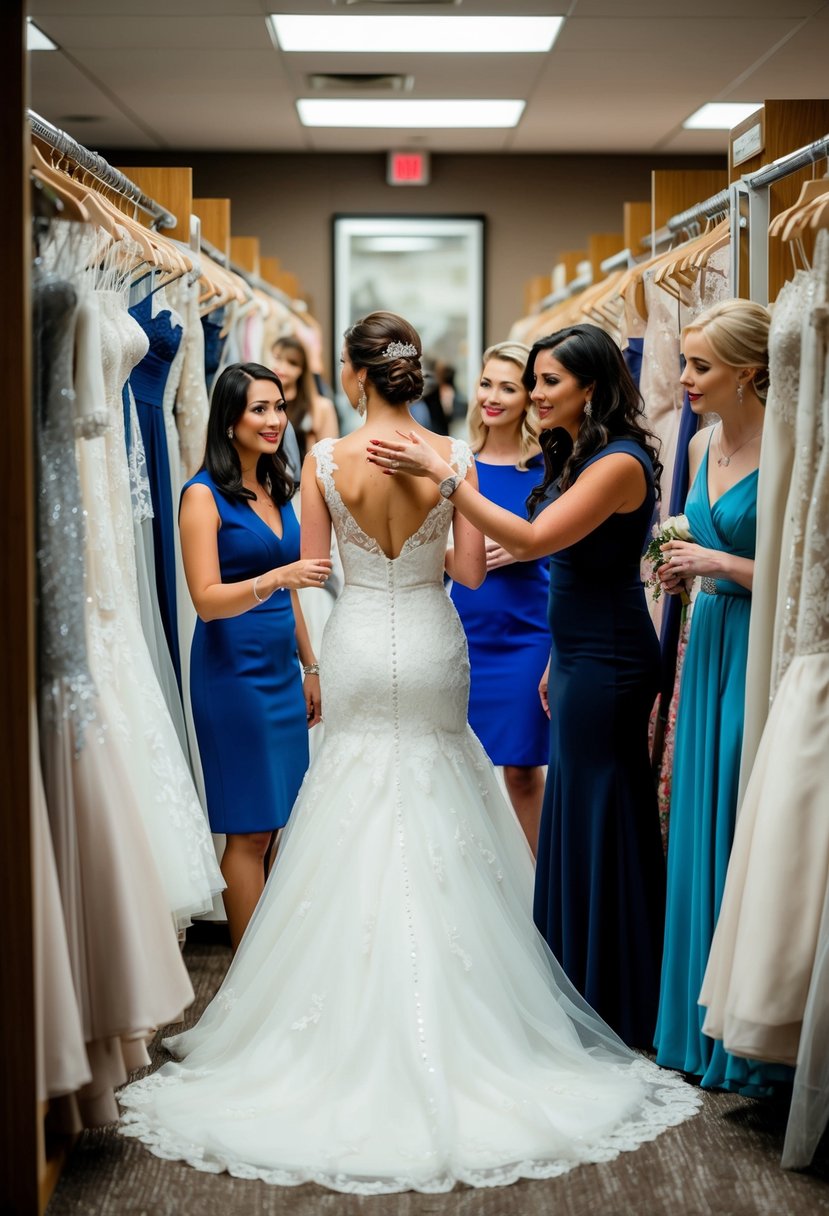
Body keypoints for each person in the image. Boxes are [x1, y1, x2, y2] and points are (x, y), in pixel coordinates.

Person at [119, 313, 698, 1192]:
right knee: (442, 794)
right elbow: (469, 573)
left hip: (356, 646)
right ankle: (484, 1026)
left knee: (352, 797)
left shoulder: (321, 464)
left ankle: (329, 1025)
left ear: (354, 380)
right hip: (432, 644)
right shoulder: (451, 458)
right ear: (410, 377)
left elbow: (314, 571)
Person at [369, 323, 667, 1047]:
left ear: (589, 388)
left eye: (547, 383)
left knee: (603, 815)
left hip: (609, 655)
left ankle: (620, 995)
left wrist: (445, 481)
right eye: (529, 381)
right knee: (575, 812)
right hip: (573, 653)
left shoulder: (621, 461)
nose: (534, 395)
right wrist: (549, 657)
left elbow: (533, 545)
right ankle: (579, 981)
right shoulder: (582, 453)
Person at [652, 300, 791, 1094]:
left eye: (699, 366)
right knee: (697, 818)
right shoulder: (701, 441)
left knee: (741, 819)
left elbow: (806, 576)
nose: (683, 379)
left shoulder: (792, 445)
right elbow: (702, 544)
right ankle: (692, 1026)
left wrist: (718, 564)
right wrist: (679, 561)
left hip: (758, 646)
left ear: (747, 369)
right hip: (705, 643)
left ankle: (750, 1037)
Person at [178, 362, 332, 950]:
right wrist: (273, 578)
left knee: (274, 827)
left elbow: (291, 591)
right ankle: (247, 983)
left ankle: (272, 970)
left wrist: (310, 665)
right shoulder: (202, 495)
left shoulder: (276, 485)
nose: (274, 420)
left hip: (280, 669)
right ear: (229, 419)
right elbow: (207, 600)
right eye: (259, 409)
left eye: (279, 407)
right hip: (232, 675)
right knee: (247, 831)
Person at [449, 341, 549, 852]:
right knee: (462, 768)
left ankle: (541, 897)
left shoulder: (549, 467)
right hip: (465, 629)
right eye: (486, 383)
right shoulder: (458, 462)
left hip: (529, 631)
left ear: (529, 397)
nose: (492, 396)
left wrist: (527, 544)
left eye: (508, 387)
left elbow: (570, 548)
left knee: (523, 772)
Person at [271, 334, 338, 459]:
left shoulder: (321, 407)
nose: (282, 367)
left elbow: (330, 456)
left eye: (292, 363)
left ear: (302, 369)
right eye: (277, 358)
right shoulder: (261, 403)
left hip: (304, 476)